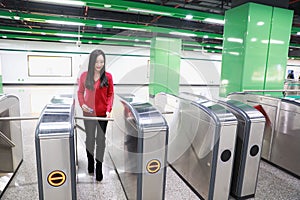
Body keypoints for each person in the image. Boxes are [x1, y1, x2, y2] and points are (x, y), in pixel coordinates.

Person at [77, 49, 114, 181]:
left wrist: (109, 109)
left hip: (102, 115)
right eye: (97, 61)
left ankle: (99, 166)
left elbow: (110, 95)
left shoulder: (108, 76)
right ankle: (90, 163)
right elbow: (80, 92)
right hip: (88, 114)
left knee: (101, 141)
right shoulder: (84, 76)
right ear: (92, 62)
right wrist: (82, 104)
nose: (99, 64)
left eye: (102, 61)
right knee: (90, 139)